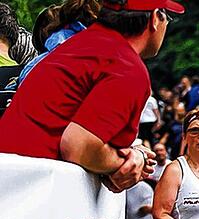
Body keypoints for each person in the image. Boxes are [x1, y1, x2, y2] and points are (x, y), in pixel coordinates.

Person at [0, 0, 182, 192]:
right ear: (154, 19)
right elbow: (79, 146)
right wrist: (126, 162)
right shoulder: (126, 65)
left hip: (15, 182)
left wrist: (131, 156)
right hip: (30, 191)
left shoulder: (83, 43)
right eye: (167, 17)